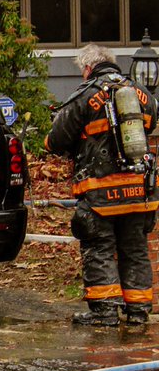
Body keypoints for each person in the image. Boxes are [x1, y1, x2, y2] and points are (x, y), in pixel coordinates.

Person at [46, 43, 158, 326]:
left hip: (100, 192)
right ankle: (138, 310)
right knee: (135, 249)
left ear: (87, 68)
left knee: (99, 248)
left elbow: (56, 140)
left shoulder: (84, 96)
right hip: (139, 191)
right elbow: (151, 123)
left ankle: (105, 312)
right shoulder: (141, 93)